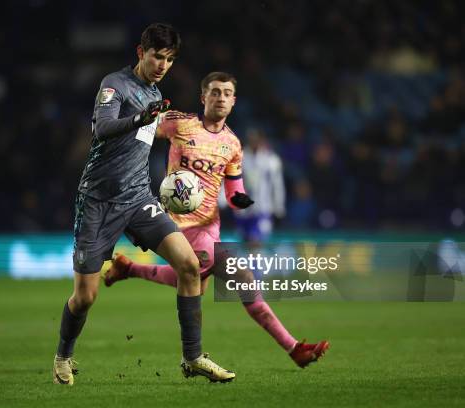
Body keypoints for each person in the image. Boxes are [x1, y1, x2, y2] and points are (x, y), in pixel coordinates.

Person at [104, 71, 329, 368]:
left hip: (211, 227)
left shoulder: (232, 144)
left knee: (193, 279)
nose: (220, 97)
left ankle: (129, 268)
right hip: (179, 227)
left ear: (233, 102)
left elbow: (234, 190)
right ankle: (294, 349)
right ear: (203, 97)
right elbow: (140, 134)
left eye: (226, 93)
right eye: (215, 92)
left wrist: (242, 201)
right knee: (243, 278)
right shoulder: (179, 123)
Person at [53, 24, 235, 386]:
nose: (162, 64)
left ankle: (193, 357)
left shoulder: (156, 94)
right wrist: (142, 117)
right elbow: (102, 129)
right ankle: (63, 355)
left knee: (189, 265)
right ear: (141, 52)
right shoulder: (114, 85)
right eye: (157, 56)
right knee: (85, 297)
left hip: (138, 198)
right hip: (99, 202)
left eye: (169, 59)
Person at [234, 127, 286, 247]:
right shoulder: (240, 158)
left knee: (258, 241)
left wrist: (279, 206)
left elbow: (277, 185)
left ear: (262, 140)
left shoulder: (271, 159)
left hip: (263, 207)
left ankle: (258, 264)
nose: (254, 142)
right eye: (251, 139)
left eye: (257, 139)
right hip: (243, 209)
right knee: (245, 243)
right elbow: (231, 180)